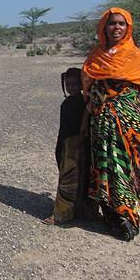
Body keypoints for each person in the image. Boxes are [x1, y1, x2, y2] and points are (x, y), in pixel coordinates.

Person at [82, 7, 140, 241]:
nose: (117, 28)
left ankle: (131, 217)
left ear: (128, 27)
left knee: (129, 165)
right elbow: (88, 86)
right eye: (112, 23)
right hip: (102, 120)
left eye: (122, 23)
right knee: (105, 164)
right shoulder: (96, 55)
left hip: (129, 120)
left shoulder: (136, 55)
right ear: (104, 27)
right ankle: (113, 214)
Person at [43, 67, 90, 225]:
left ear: (82, 84)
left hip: (72, 146)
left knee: (68, 179)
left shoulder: (83, 103)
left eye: (75, 84)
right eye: (68, 84)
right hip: (68, 145)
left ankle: (61, 214)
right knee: (76, 177)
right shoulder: (72, 103)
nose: (71, 87)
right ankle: (78, 210)